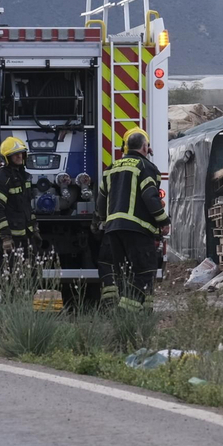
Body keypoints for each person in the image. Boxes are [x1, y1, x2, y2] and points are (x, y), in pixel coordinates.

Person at [96, 127, 168, 311]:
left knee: (123, 274)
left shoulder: (111, 168)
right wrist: (164, 221)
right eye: (148, 146)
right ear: (145, 147)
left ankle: (133, 313)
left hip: (113, 230)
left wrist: (103, 221)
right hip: (138, 229)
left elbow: (101, 199)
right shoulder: (146, 167)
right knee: (144, 272)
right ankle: (126, 313)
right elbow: (150, 196)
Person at [0, 137, 34, 252]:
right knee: (9, 269)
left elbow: (28, 206)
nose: (19, 156)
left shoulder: (25, 177)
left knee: (33, 269)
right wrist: (5, 238)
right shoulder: (2, 178)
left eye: (21, 153)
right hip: (10, 238)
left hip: (26, 236)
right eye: (15, 154)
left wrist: (35, 229)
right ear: (7, 157)